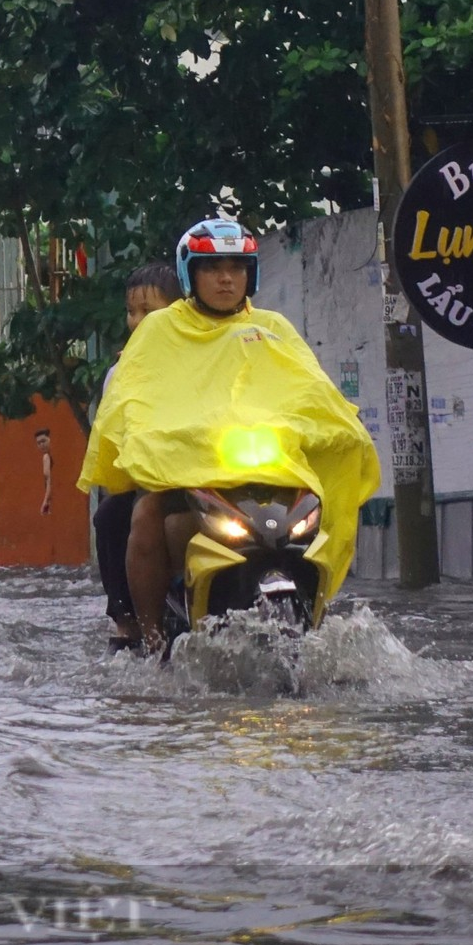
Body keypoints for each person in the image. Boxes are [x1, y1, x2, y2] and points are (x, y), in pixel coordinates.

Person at [79, 219, 380, 654]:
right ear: (190, 274)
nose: (225, 277)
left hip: (269, 468)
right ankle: (150, 638)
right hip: (187, 472)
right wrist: (158, 442)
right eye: (213, 267)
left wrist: (341, 429)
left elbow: (313, 392)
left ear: (250, 274)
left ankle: (317, 619)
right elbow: (134, 403)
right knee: (144, 517)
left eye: (236, 267)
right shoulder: (161, 331)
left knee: (322, 509)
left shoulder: (273, 327)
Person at [91, 262, 182, 648]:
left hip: (220, 473)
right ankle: (130, 623)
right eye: (132, 312)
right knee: (111, 516)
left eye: (149, 311)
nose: (138, 320)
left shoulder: (214, 352)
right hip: (159, 477)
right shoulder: (122, 371)